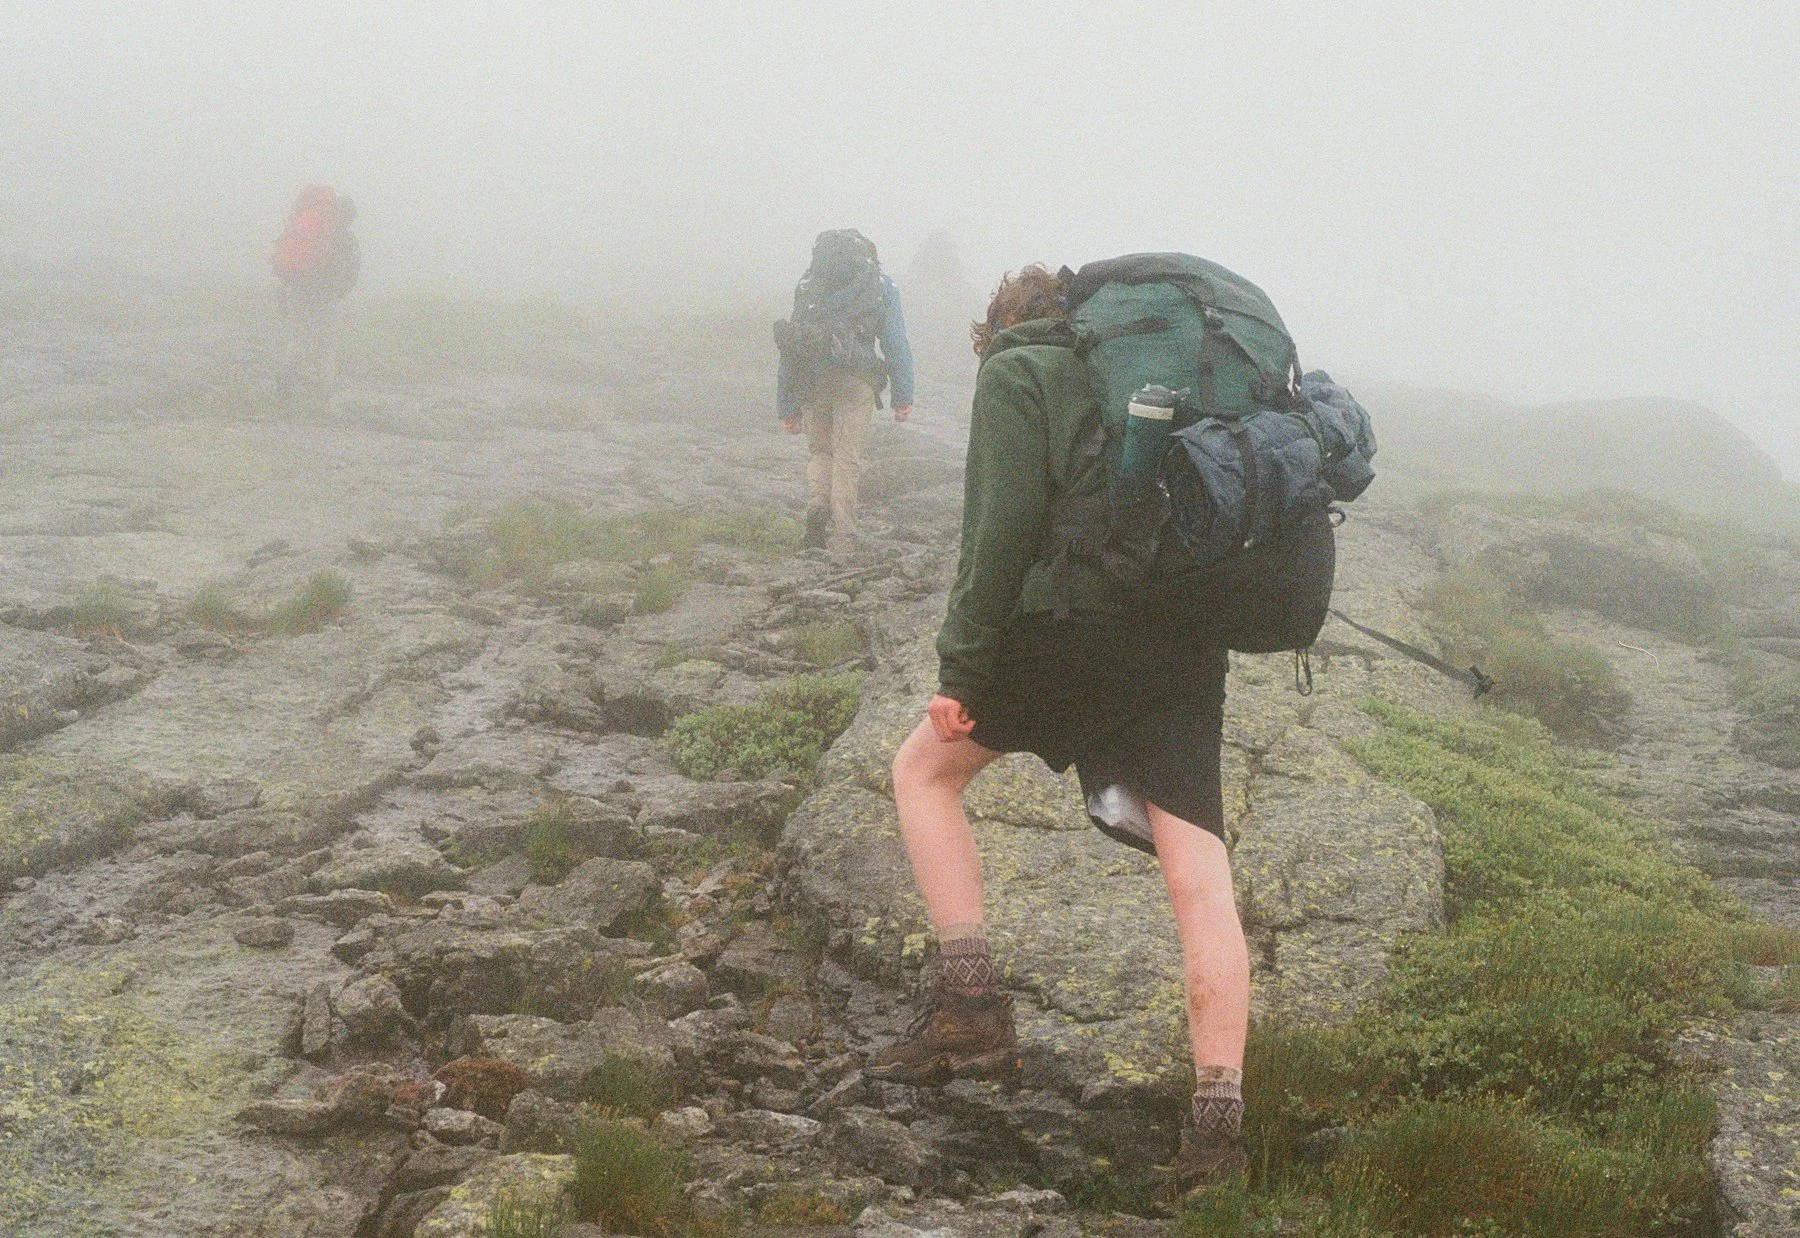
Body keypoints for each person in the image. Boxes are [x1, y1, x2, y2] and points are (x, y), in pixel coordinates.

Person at [870, 265, 1251, 1197]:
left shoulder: (1016, 372)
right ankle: (1216, 1139)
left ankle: (969, 1009)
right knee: (1198, 875)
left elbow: (998, 532)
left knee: (924, 772)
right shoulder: (1173, 379)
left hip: (1074, 630)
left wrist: (961, 671)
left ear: (998, 325)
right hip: (1185, 636)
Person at [774, 230, 915, 552]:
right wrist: (903, 395)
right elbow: (895, 342)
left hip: (811, 378)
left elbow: (791, 344)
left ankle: (817, 507)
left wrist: (786, 405)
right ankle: (843, 536)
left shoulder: (810, 283)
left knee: (821, 451)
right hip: (856, 379)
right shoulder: (881, 285)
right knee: (847, 457)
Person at [271, 185, 360, 400]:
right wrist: (337, 293)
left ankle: (285, 378)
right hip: (325, 295)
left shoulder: (308, 226)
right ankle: (325, 389)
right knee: (326, 342)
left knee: (298, 336)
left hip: (297, 287)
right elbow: (350, 272)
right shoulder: (344, 239)